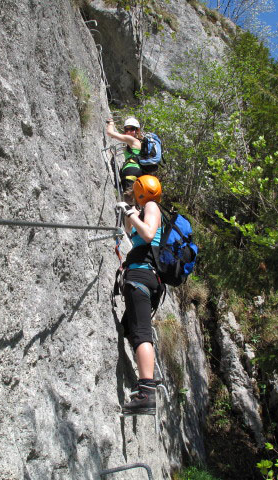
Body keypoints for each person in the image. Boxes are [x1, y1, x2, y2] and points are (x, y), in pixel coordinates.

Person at [115, 175, 163, 414]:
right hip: (142, 276)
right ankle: (147, 384)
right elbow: (129, 231)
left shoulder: (152, 207)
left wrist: (132, 213)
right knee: (134, 329)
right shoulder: (144, 209)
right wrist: (128, 213)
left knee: (142, 333)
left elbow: (147, 234)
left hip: (142, 276)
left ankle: (146, 392)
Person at [105, 117, 144, 199]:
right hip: (139, 173)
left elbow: (109, 133)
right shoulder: (140, 141)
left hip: (130, 171)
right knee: (136, 201)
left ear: (137, 130)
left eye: (131, 129)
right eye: (126, 129)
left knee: (130, 202)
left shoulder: (131, 140)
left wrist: (110, 123)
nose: (129, 132)